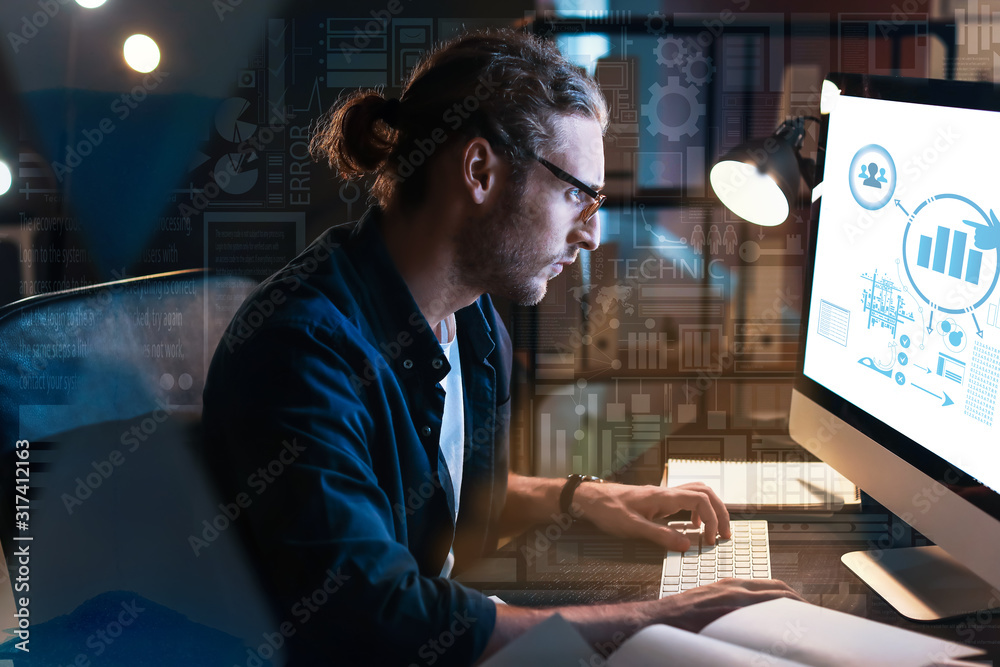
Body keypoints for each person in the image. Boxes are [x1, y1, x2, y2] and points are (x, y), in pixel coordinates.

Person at [201, 28, 800, 666]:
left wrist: (587, 496)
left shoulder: (473, 319)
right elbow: (375, 617)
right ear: (480, 170)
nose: (592, 234)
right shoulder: (303, 352)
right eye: (579, 194)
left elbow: (439, 485)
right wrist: (656, 619)